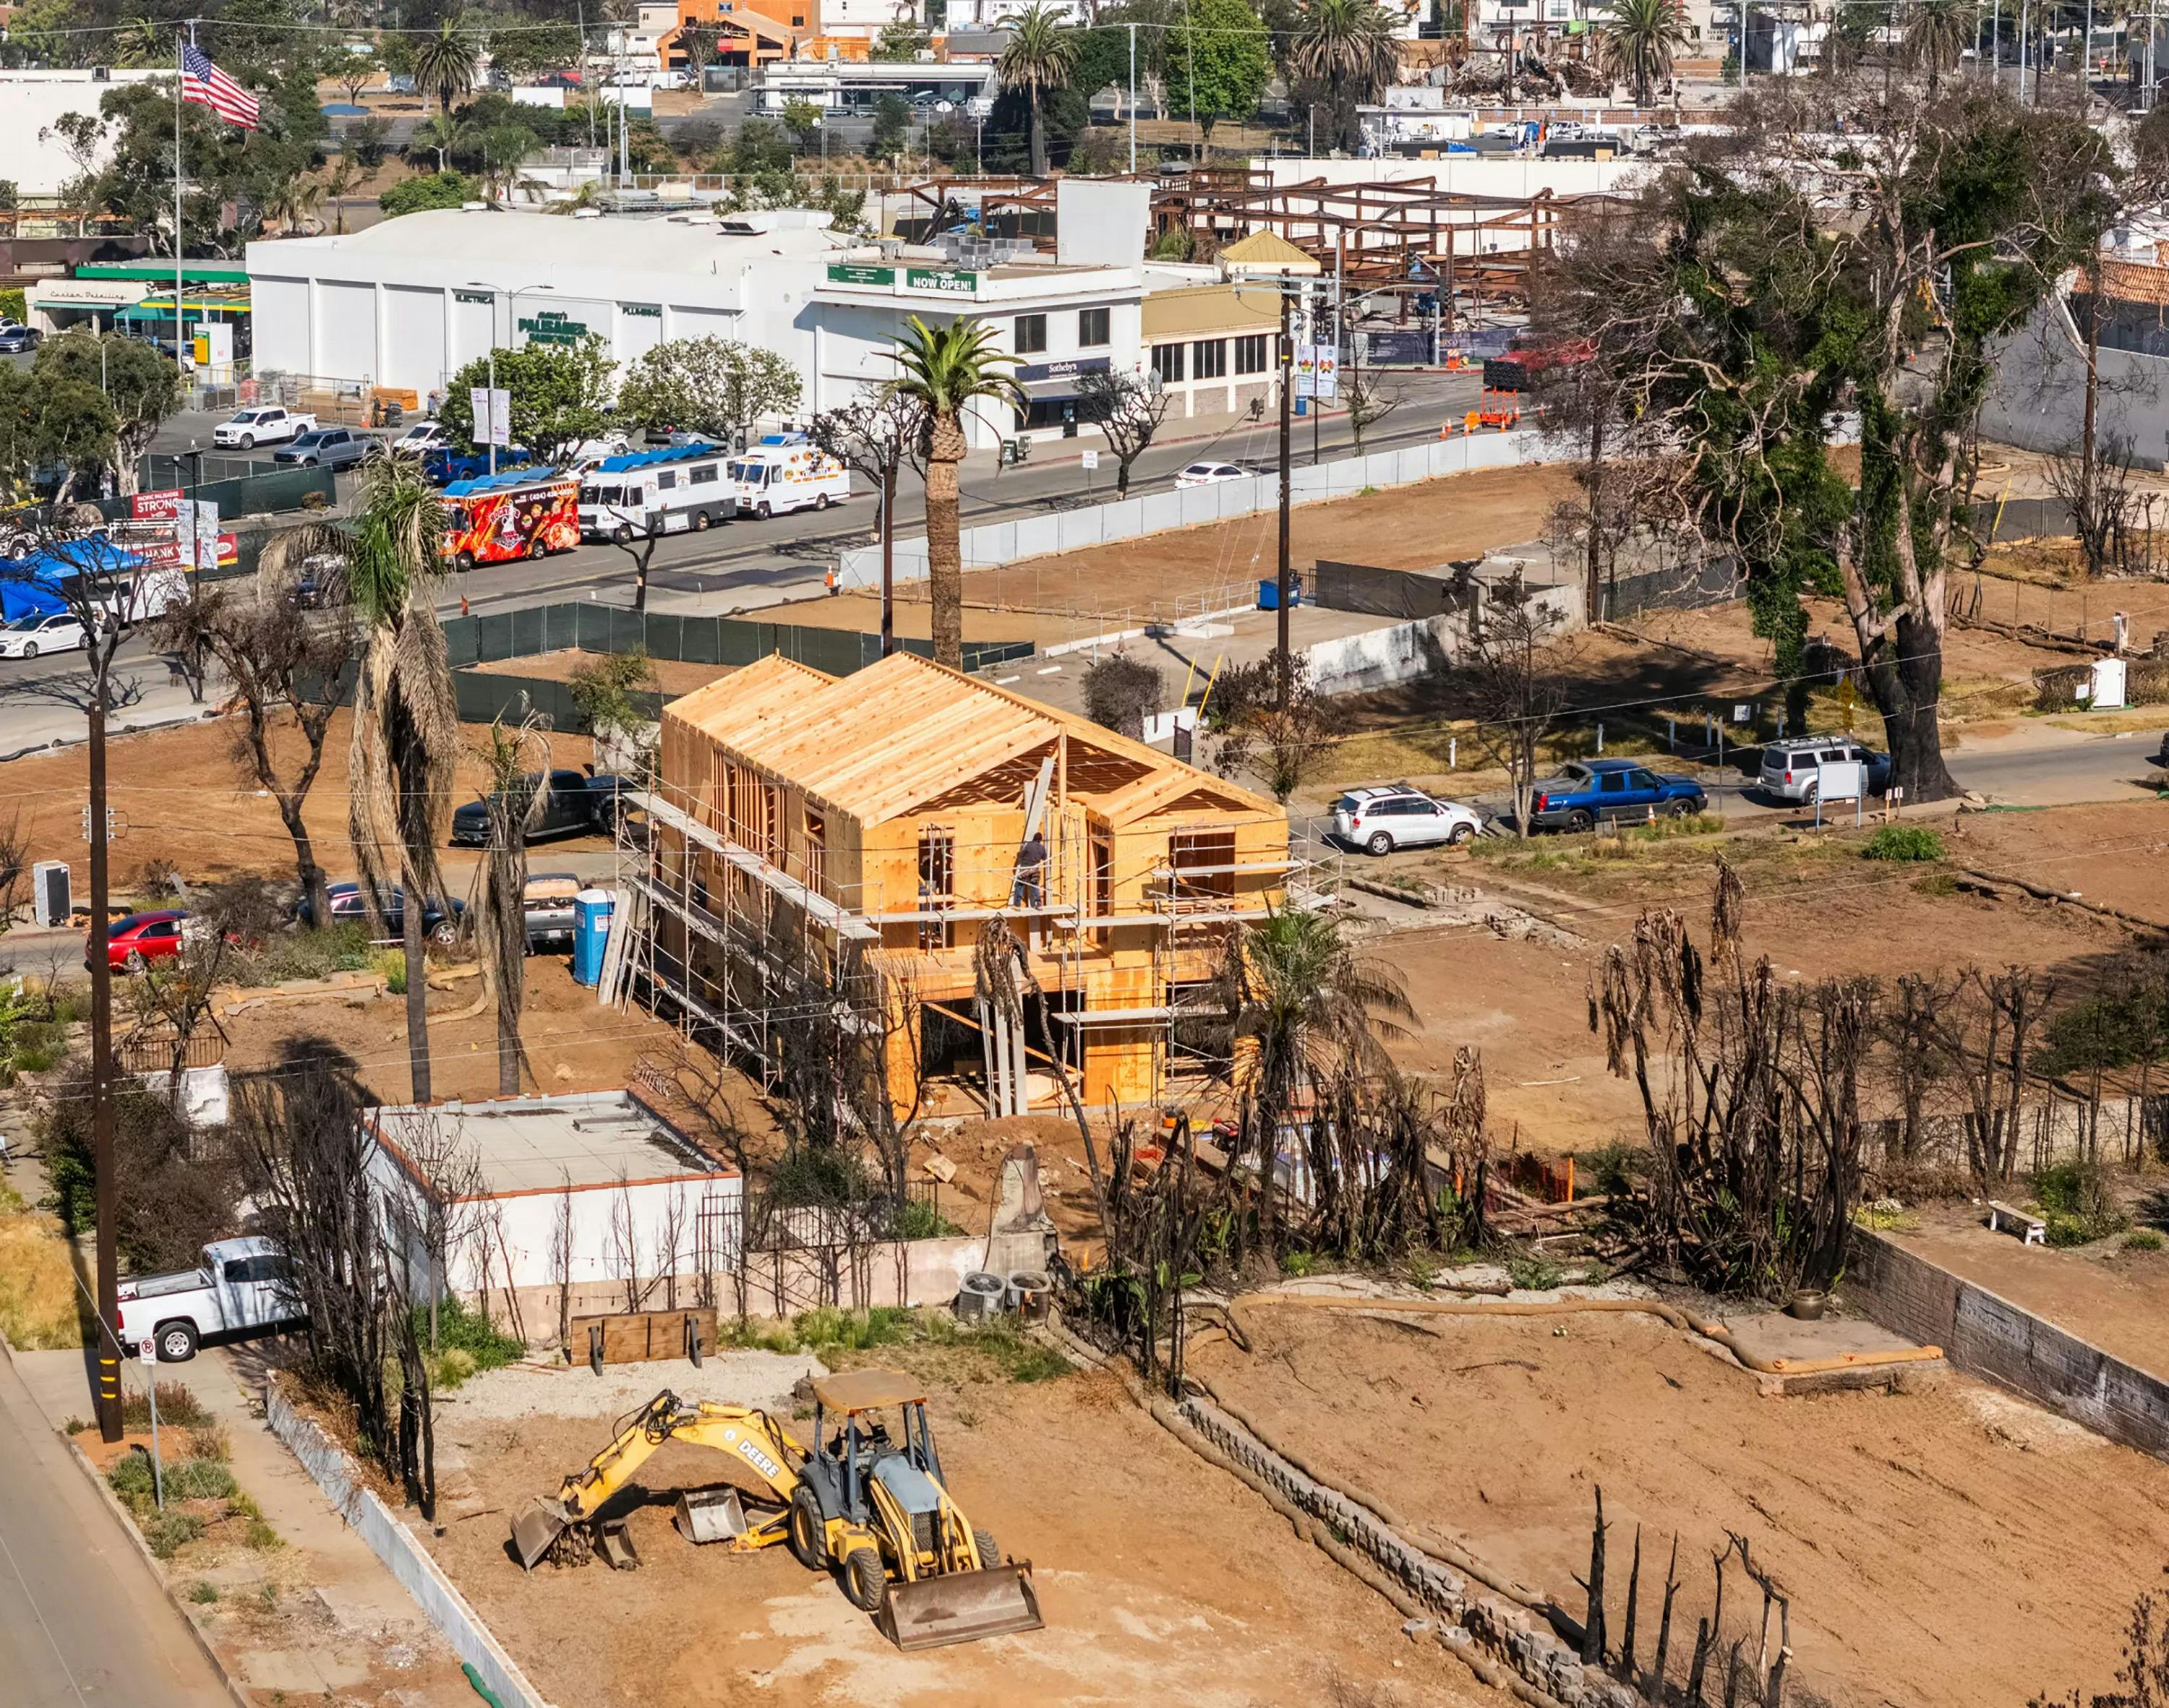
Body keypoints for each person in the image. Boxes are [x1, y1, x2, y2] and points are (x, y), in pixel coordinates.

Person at [1010, 831, 1047, 909]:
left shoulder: (1029, 845)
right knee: (1035, 886)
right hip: (1035, 868)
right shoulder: (1042, 848)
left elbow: (1021, 855)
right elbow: (1044, 858)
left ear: (1034, 838)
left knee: (1020, 885)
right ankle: (1039, 904)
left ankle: (1017, 905)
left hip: (1025, 868)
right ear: (1040, 840)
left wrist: (1022, 848)